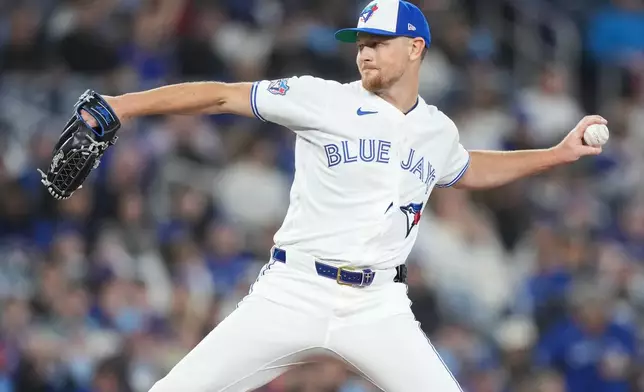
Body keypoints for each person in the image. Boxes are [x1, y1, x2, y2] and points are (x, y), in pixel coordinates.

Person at [81, 1, 606, 390]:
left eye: (377, 41)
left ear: (415, 48)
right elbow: (221, 95)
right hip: (292, 290)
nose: (364, 52)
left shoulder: (437, 130)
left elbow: (467, 169)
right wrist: (124, 104)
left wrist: (555, 155)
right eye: (360, 42)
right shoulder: (321, 98)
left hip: (377, 305)